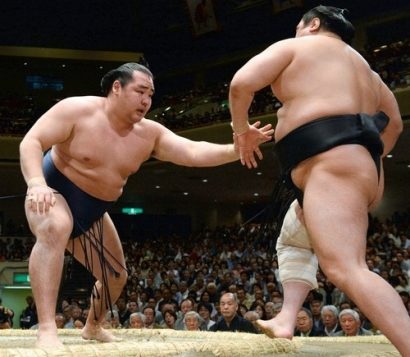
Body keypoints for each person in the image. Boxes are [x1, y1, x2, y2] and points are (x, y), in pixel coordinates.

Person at [19, 62, 275, 348]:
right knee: (57, 225)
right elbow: (32, 141)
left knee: (116, 276)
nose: (146, 100)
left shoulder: (149, 134)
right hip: (52, 191)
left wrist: (236, 149)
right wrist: (36, 183)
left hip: (93, 210)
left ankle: (93, 326)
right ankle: (45, 328)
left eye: (150, 95)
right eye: (140, 91)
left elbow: (191, 151)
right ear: (116, 87)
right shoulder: (76, 110)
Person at [229, 5, 409, 355]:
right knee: (294, 238)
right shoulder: (369, 72)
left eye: (300, 25)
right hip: (348, 166)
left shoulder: (296, 46)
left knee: (346, 268)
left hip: (332, 165)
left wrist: (242, 131)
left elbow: (241, 84)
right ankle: (286, 319)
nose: (297, 30)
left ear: (313, 24)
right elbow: (395, 123)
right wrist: (364, 161)